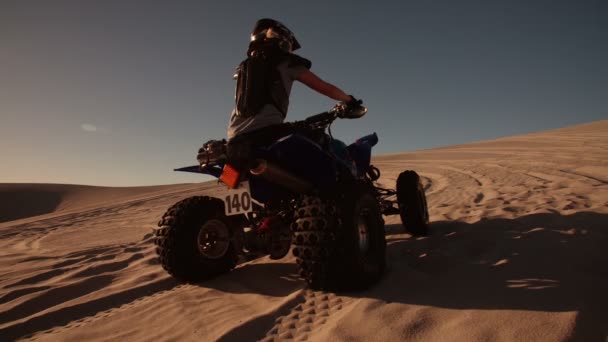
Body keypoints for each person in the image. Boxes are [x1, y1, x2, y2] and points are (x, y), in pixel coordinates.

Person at [226, 18, 360, 169]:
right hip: (267, 133)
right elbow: (326, 88)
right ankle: (343, 189)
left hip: (235, 138)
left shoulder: (242, 69)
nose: (288, 44)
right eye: (284, 38)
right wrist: (349, 100)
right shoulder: (286, 63)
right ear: (272, 36)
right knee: (321, 140)